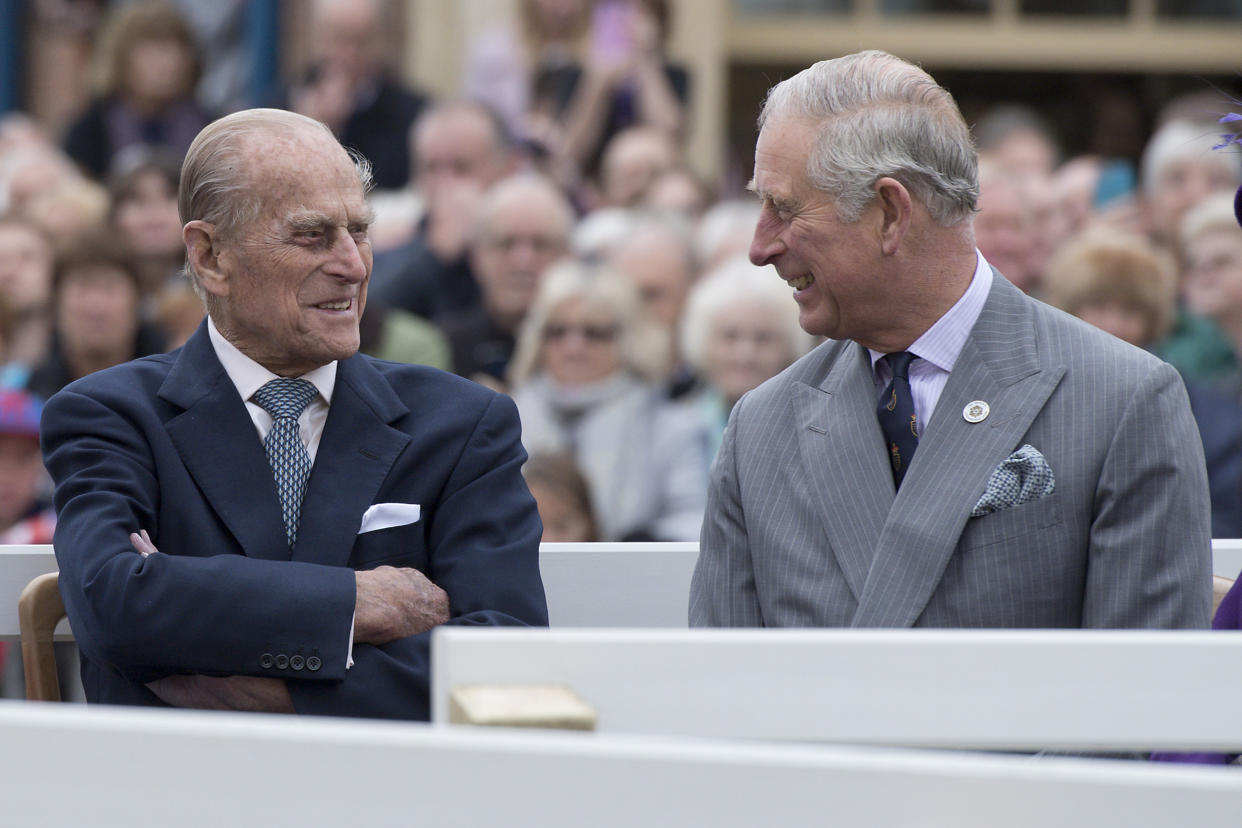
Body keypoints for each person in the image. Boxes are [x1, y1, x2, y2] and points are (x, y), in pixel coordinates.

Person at [40, 108, 547, 719]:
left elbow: (503, 653)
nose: (354, 265)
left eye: (358, 231)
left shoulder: (463, 424)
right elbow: (113, 605)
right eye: (312, 235)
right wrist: (354, 603)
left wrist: (274, 690)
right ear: (210, 257)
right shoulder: (110, 415)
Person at [689, 51, 1211, 630]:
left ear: (891, 212)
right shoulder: (761, 430)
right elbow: (722, 689)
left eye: (784, 209)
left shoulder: (1121, 401)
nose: (759, 247)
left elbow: (1139, 697)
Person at [509, 259, 709, 542]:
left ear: (629, 339)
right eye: (557, 332)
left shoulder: (671, 427)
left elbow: (692, 523)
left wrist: (637, 546)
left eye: (593, 333)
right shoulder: (505, 419)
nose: (573, 347)